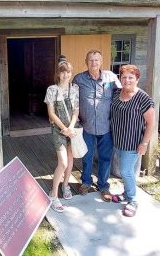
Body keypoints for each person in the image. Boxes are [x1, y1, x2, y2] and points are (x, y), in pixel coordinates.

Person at [73, 50, 121, 202]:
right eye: (91, 60)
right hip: (86, 126)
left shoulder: (111, 78)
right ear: (86, 61)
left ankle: (103, 186)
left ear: (101, 61)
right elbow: (72, 99)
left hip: (106, 126)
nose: (94, 63)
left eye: (97, 60)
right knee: (87, 156)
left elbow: (123, 93)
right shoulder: (79, 79)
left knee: (105, 158)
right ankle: (86, 182)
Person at [110, 64, 155, 217]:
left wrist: (144, 143)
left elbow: (151, 123)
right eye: (124, 77)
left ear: (137, 79)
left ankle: (133, 200)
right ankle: (126, 194)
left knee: (126, 171)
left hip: (132, 143)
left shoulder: (143, 98)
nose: (127, 80)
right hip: (117, 141)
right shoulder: (116, 93)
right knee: (124, 171)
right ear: (120, 79)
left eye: (131, 77)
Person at [44, 60, 80, 212]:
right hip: (58, 129)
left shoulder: (75, 88)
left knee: (70, 160)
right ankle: (53, 194)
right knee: (63, 162)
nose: (66, 75)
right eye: (63, 71)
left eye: (69, 72)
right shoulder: (52, 89)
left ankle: (65, 185)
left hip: (72, 128)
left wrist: (71, 127)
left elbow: (76, 110)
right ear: (58, 74)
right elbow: (51, 113)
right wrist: (64, 128)